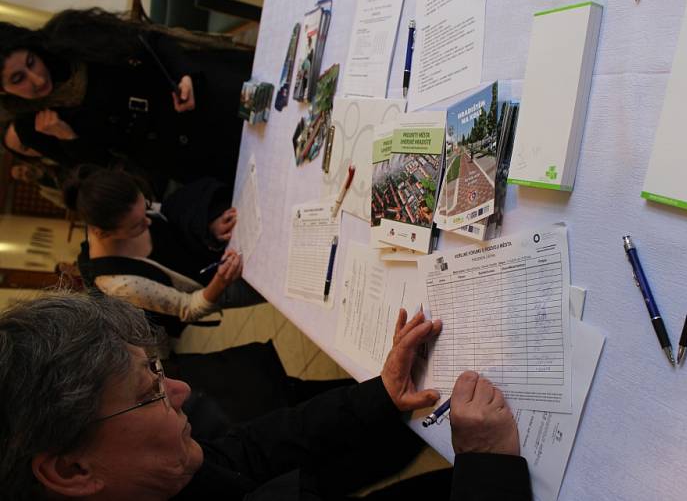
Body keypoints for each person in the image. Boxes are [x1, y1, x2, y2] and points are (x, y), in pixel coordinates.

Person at [0, 294, 532, 500]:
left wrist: (381, 396)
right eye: (151, 392)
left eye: (160, 371)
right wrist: (488, 468)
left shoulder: (149, 475)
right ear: (71, 472)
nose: (182, 391)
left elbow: (245, 452)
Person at [0, 7, 253, 195]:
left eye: (31, 62)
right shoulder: (30, 128)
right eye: (18, 78)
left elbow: (151, 39)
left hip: (201, 93)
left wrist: (183, 75)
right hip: (185, 152)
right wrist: (68, 138)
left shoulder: (68, 35)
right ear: (4, 91)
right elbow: (100, 170)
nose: (36, 79)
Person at [65, 165, 264, 336]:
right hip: (218, 285)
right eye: (136, 226)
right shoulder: (117, 283)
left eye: (146, 209)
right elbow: (187, 308)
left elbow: (174, 217)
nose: (149, 221)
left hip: (218, 249)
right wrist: (221, 282)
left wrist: (209, 226)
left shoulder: (122, 208)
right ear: (104, 233)